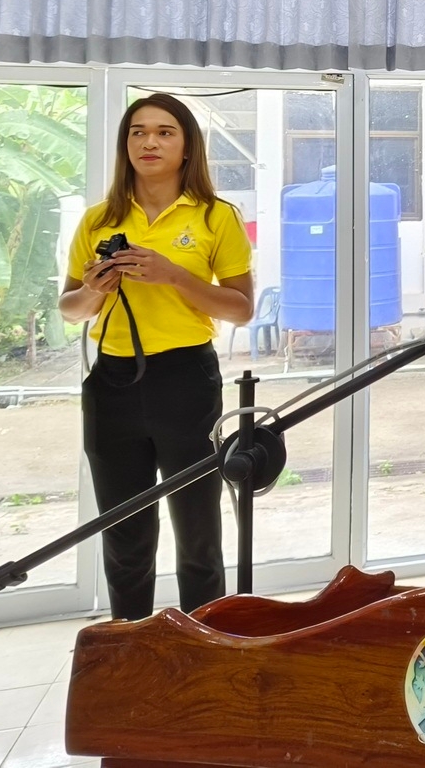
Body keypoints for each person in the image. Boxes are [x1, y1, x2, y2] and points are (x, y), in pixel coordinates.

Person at [59, 93, 254, 620]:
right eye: (138, 132)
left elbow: (241, 309)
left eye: (165, 132)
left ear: (187, 146)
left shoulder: (216, 217)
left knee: (197, 532)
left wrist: (174, 275)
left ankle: (205, 652)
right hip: (112, 383)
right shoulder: (98, 219)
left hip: (185, 379)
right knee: (125, 535)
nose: (150, 142)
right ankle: (132, 651)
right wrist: (96, 289)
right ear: (125, 146)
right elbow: (70, 308)